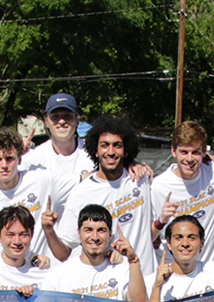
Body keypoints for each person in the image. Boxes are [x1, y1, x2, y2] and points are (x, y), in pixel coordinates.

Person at [52, 116, 160, 272]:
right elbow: (64, 251)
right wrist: (48, 230)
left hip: (145, 278)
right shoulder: (82, 192)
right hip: (108, 285)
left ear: (126, 150)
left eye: (117, 145)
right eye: (104, 145)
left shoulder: (140, 179)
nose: (110, 151)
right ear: (95, 151)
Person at [0, 129, 75, 259]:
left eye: (9, 159)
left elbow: (83, 180)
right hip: (5, 276)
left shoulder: (42, 180)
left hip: (42, 271)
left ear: (19, 159)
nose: (4, 165)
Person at [151, 121, 214, 263]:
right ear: (173, 151)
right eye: (184, 152)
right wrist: (161, 221)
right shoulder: (158, 186)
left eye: (195, 152)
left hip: (209, 269)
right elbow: (146, 237)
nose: (189, 159)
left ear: (204, 152)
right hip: (174, 271)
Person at [45, 205, 147, 301]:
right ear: (79, 233)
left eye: (101, 230)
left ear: (110, 234)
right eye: (88, 230)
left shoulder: (121, 267)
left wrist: (133, 259)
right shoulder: (58, 275)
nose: (95, 237)